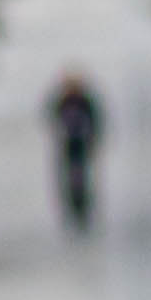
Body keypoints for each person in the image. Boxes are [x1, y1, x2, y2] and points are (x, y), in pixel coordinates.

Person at [47, 70, 107, 234]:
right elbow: (52, 119)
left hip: (82, 144)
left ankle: (83, 210)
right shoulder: (63, 101)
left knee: (82, 178)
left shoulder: (85, 102)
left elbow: (96, 121)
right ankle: (72, 210)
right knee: (70, 179)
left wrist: (93, 138)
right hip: (68, 145)